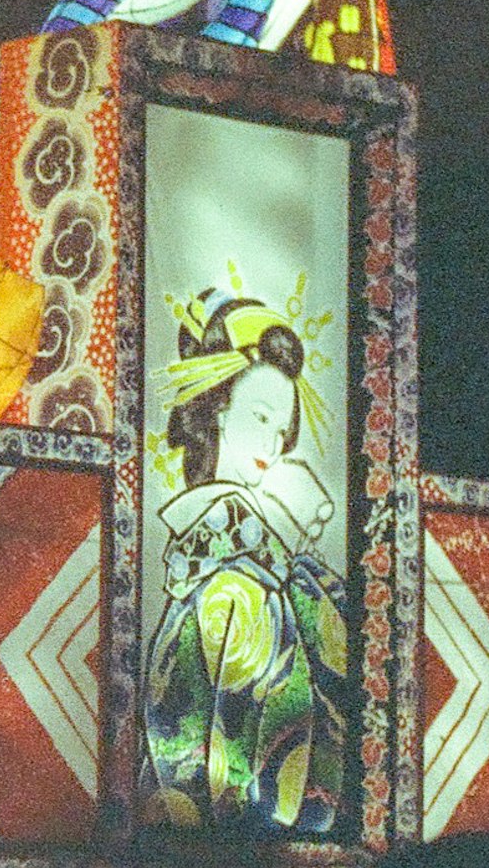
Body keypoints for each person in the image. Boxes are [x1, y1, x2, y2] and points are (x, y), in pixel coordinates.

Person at [144, 287, 355, 836]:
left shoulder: (274, 559)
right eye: (260, 416)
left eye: (281, 430)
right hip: (211, 770)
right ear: (217, 406)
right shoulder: (226, 557)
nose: (273, 442)